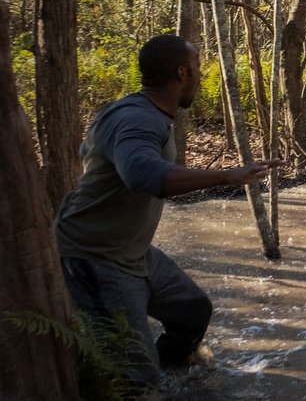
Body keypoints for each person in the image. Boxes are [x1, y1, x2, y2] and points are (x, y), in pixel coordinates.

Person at [55, 34, 284, 394]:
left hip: (135, 252)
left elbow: (99, 154)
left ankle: (177, 378)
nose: (201, 74)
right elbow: (142, 174)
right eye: (197, 67)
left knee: (193, 312)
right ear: (182, 72)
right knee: (133, 378)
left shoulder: (139, 112)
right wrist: (228, 174)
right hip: (96, 258)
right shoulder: (137, 119)